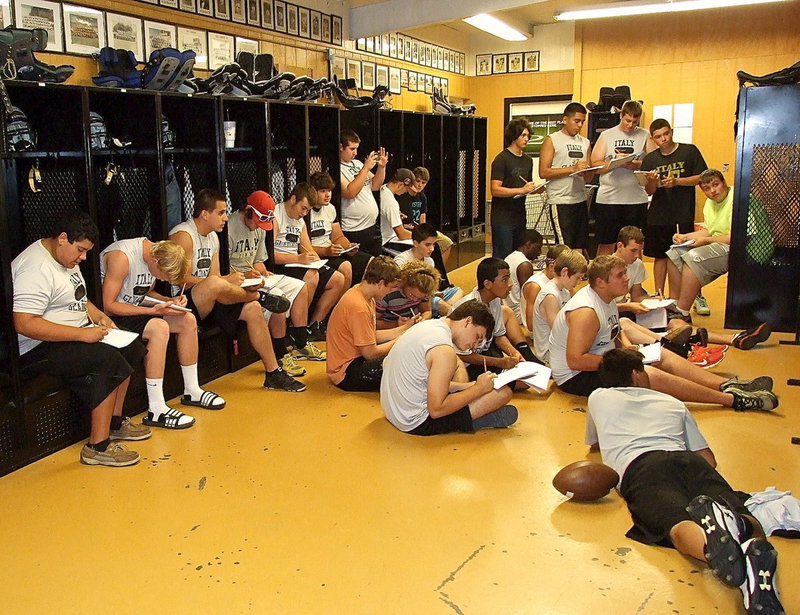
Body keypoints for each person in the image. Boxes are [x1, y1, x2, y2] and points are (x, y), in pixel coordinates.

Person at [587, 349, 784, 615]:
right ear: (636, 374)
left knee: (675, 525)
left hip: (642, 468)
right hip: (689, 462)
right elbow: (709, 459)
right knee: (744, 514)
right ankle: (741, 531)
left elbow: (594, 444)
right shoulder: (672, 403)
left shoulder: (598, 398)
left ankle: (708, 545)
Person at [547, 255, 777, 410]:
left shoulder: (605, 298)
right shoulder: (585, 311)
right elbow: (575, 360)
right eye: (620, 275)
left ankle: (725, 384)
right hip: (574, 377)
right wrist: (624, 361)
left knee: (660, 354)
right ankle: (733, 400)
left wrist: (627, 348)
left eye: (625, 273)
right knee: (646, 372)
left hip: (601, 360)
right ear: (601, 281)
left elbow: (613, 329)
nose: (627, 278)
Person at [12, 211, 148, 467]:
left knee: (132, 346)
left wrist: (98, 316)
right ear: (62, 238)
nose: (83, 258)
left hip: (72, 334)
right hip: (38, 347)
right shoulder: (36, 268)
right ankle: (97, 447)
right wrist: (82, 334)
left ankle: (115, 423)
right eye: (81, 250)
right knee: (106, 360)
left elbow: (78, 297)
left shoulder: (65, 260)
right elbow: (24, 323)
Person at [169, 189, 305, 393]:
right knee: (216, 283)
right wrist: (224, 281)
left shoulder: (213, 237)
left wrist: (231, 283)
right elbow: (180, 280)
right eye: (221, 213)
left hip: (212, 298)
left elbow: (215, 277)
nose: (226, 217)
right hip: (185, 302)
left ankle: (273, 372)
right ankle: (260, 296)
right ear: (205, 214)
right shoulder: (184, 235)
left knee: (252, 309)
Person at [101, 237, 222, 430]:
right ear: (154, 261)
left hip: (136, 308)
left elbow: (142, 294)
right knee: (160, 328)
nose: (163, 280)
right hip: (112, 316)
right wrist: (154, 311)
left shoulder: (154, 256)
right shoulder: (122, 257)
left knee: (187, 320)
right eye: (164, 276)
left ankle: (192, 390)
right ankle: (156, 408)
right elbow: (108, 305)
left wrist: (168, 300)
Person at [381, 300, 518, 435]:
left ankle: (470, 415)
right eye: (477, 337)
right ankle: (473, 420)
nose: (475, 345)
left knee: (471, 387)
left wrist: (469, 386)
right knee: (503, 393)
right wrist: (478, 389)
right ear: (468, 321)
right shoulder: (444, 351)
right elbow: (436, 410)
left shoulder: (430, 326)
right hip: (416, 422)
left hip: (392, 411)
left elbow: (424, 382)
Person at [227, 189, 319, 377]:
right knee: (277, 296)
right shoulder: (229, 227)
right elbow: (223, 268)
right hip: (235, 279)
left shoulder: (260, 228)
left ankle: (300, 342)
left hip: (253, 276)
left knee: (299, 287)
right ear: (248, 211)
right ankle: (280, 353)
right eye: (258, 221)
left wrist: (261, 270)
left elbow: (258, 260)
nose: (260, 226)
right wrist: (247, 273)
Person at [326, 256, 421, 392]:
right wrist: (402, 340)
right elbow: (370, 353)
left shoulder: (364, 296)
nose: (390, 292)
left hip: (352, 361)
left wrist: (405, 328)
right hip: (347, 372)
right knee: (409, 366)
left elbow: (370, 336)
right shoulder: (358, 307)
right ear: (381, 283)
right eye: (391, 287)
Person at [271, 182, 347, 346]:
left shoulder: (300, 220)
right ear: (293, 199)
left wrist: (313, 257)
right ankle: (296, 328)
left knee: (338, 279)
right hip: (282, 264)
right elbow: (270, 256)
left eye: (307, 210)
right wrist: (298, 259)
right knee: (311, 277)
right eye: (303, 208)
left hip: (298, 263)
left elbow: (307, 248)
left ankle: (313, 326)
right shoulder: (276, 216)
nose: (304, 213)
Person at [641, 119, 707, 299]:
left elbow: (701, 178)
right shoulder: (650, 159)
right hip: (658, 215)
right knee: (660, 256)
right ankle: (659, 294)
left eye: (666, 134)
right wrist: (653, 181)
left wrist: (678, 181)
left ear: (671, 131)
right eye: (658, 136)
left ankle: (692, 296)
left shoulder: (689, 151)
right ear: (653, 139)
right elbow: (648, 190)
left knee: (685, 257)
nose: (663, 139)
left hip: (682, 213)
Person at [452, 257, 541, 382]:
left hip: (485, 353)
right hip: (468, 363)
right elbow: (461, 355)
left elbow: (499, 336)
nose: (510, 284)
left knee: (527, 379)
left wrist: (514, 353)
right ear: (487, 284)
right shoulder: (466, 307)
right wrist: (499, 362)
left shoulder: (495, 301)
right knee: (520, 383)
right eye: (504, 280)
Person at [666, 169, 737, 322]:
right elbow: (708, 231)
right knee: (674, 253)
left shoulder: (738, 199)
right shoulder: (709, 203)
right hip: (718, 242)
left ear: (723, 182)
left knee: (693, 257)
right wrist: (685, 237)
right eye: (707, 189)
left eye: (715, 185)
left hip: (739, 247)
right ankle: (674, 304)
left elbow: (738, 237)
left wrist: (706, 241)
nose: (712, 191)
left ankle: (683, 313)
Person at [590, 100, 657, 256]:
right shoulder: (607, 135)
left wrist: (636, 164)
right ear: (621, 116)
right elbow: (595, 165)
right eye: (627, 121)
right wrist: (614, 163)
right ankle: (603, 276)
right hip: (609, 199)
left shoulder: (645, 134)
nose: (630, 125)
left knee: (634, 244)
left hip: (635, 199)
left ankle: (634, 278)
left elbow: (653, 162)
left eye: (634, 122)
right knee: (607, 242)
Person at [539, 102, 594, 254]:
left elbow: (589, 177)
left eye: (582, 122)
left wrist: (589, 171)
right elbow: (543, 172)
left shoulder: (585, 142)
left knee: (580, 247)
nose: (580, 125)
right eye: (577, 121)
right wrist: (571, 169)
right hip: (560, 200)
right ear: (565, 120)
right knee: (565, 248)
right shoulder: (552, 140)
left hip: (579, 198)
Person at [489, 118, 545, 257]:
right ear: (514, 136)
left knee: (518, 255)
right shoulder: (501, 159)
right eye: (523, 135)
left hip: (520, 215)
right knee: (503, 256)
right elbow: (495, 189)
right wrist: (522, 190)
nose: (526, 139)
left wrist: (537, 189)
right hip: (502, 217)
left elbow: (527, 185)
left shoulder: (528, 160)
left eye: (528, 136)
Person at [308, 171, 373, 287]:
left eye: (329, 190)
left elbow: (337, 236)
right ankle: (341, 303)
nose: (328, 195)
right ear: (313, 191)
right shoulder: (305, 211)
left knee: (372, 262)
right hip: (317, 254)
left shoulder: (331, 208)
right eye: (323, 191)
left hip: (332, 251)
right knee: (345, 266)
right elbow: (303, 247)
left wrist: (348, 247)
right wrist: (326, 251)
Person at [532, 249, 587, 363]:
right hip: (549, 353)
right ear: (565, 272)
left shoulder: (565, 290)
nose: (579, 282)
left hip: (560, 347)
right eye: (577, 277)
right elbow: (558, 332)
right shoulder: (550, 295)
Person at [339, 129, 388, 256]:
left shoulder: (358, 163)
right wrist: (366, 168)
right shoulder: (337, 168)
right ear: (341, 147)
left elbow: (376, 185)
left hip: (372, 226)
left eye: (356, 149)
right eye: (352, 149)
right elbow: (350, 193)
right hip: (354, 229)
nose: (355, 153)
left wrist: (381, 167)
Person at [396, 166, 454, 264]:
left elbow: (422, 220)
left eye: (423, 183)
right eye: (418, 181)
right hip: (405, 229)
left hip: (419, 230)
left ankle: (439, 270)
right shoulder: (401, 195)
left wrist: (424, 231)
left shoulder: (422, 197)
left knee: (447, 242)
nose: (420, 185)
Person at [394, 223, 463, 304]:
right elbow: (399, 288)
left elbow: (429, 288)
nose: (432, 249)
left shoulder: (429, 261)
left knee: (458, 291)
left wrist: (434, 293)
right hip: (410, 299)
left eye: (434, 244)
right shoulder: (401, 260)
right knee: (438, 302)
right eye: (427, 245)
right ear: (415, 243)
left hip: (425, 297)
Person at [376, 260, 455, 328]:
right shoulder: (388, 292)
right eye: (412, 295)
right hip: (393, 329)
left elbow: (426, 311)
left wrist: (422, 319)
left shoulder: (424, 290)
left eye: (420, 298)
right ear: (405, 282)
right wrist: (397, 324)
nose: (414, 300)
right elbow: (373, 323)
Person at [520, 244, 570, 332]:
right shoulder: (535, 286)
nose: (568, 273)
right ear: (552, 267)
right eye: (565, 270)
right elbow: (531, 325)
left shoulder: (564, 280)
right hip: (543, 335)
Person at [503, 228, 544, 324]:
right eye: (538, 247)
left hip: (508, 309)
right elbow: (529, 297)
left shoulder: (509, 257)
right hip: (518, 314)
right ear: (528, 244)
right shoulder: (524, 265)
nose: (539, 252)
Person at [379, 168, 414, 249]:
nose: (406, 192)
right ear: (401, 185)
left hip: (386, 236)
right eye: (407, 189)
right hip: (387, 240)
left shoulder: (383, 188)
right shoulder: (391, 202)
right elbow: (401, 234)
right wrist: (422, 236)